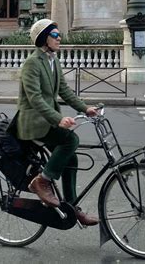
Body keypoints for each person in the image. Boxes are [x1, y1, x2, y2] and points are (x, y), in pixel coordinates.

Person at [16, 19, 100, 226]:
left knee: (71, 158)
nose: (59, 38)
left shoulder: (53, 61)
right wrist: (58, 118)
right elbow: (35, 98)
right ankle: (41, 182)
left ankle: (71, 208)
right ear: (44, 38)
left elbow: (64, 91)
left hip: (47, 121)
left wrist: (85, 108)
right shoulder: (32, 63)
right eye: (55, 35)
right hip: (34, 123)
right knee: (70, 141)